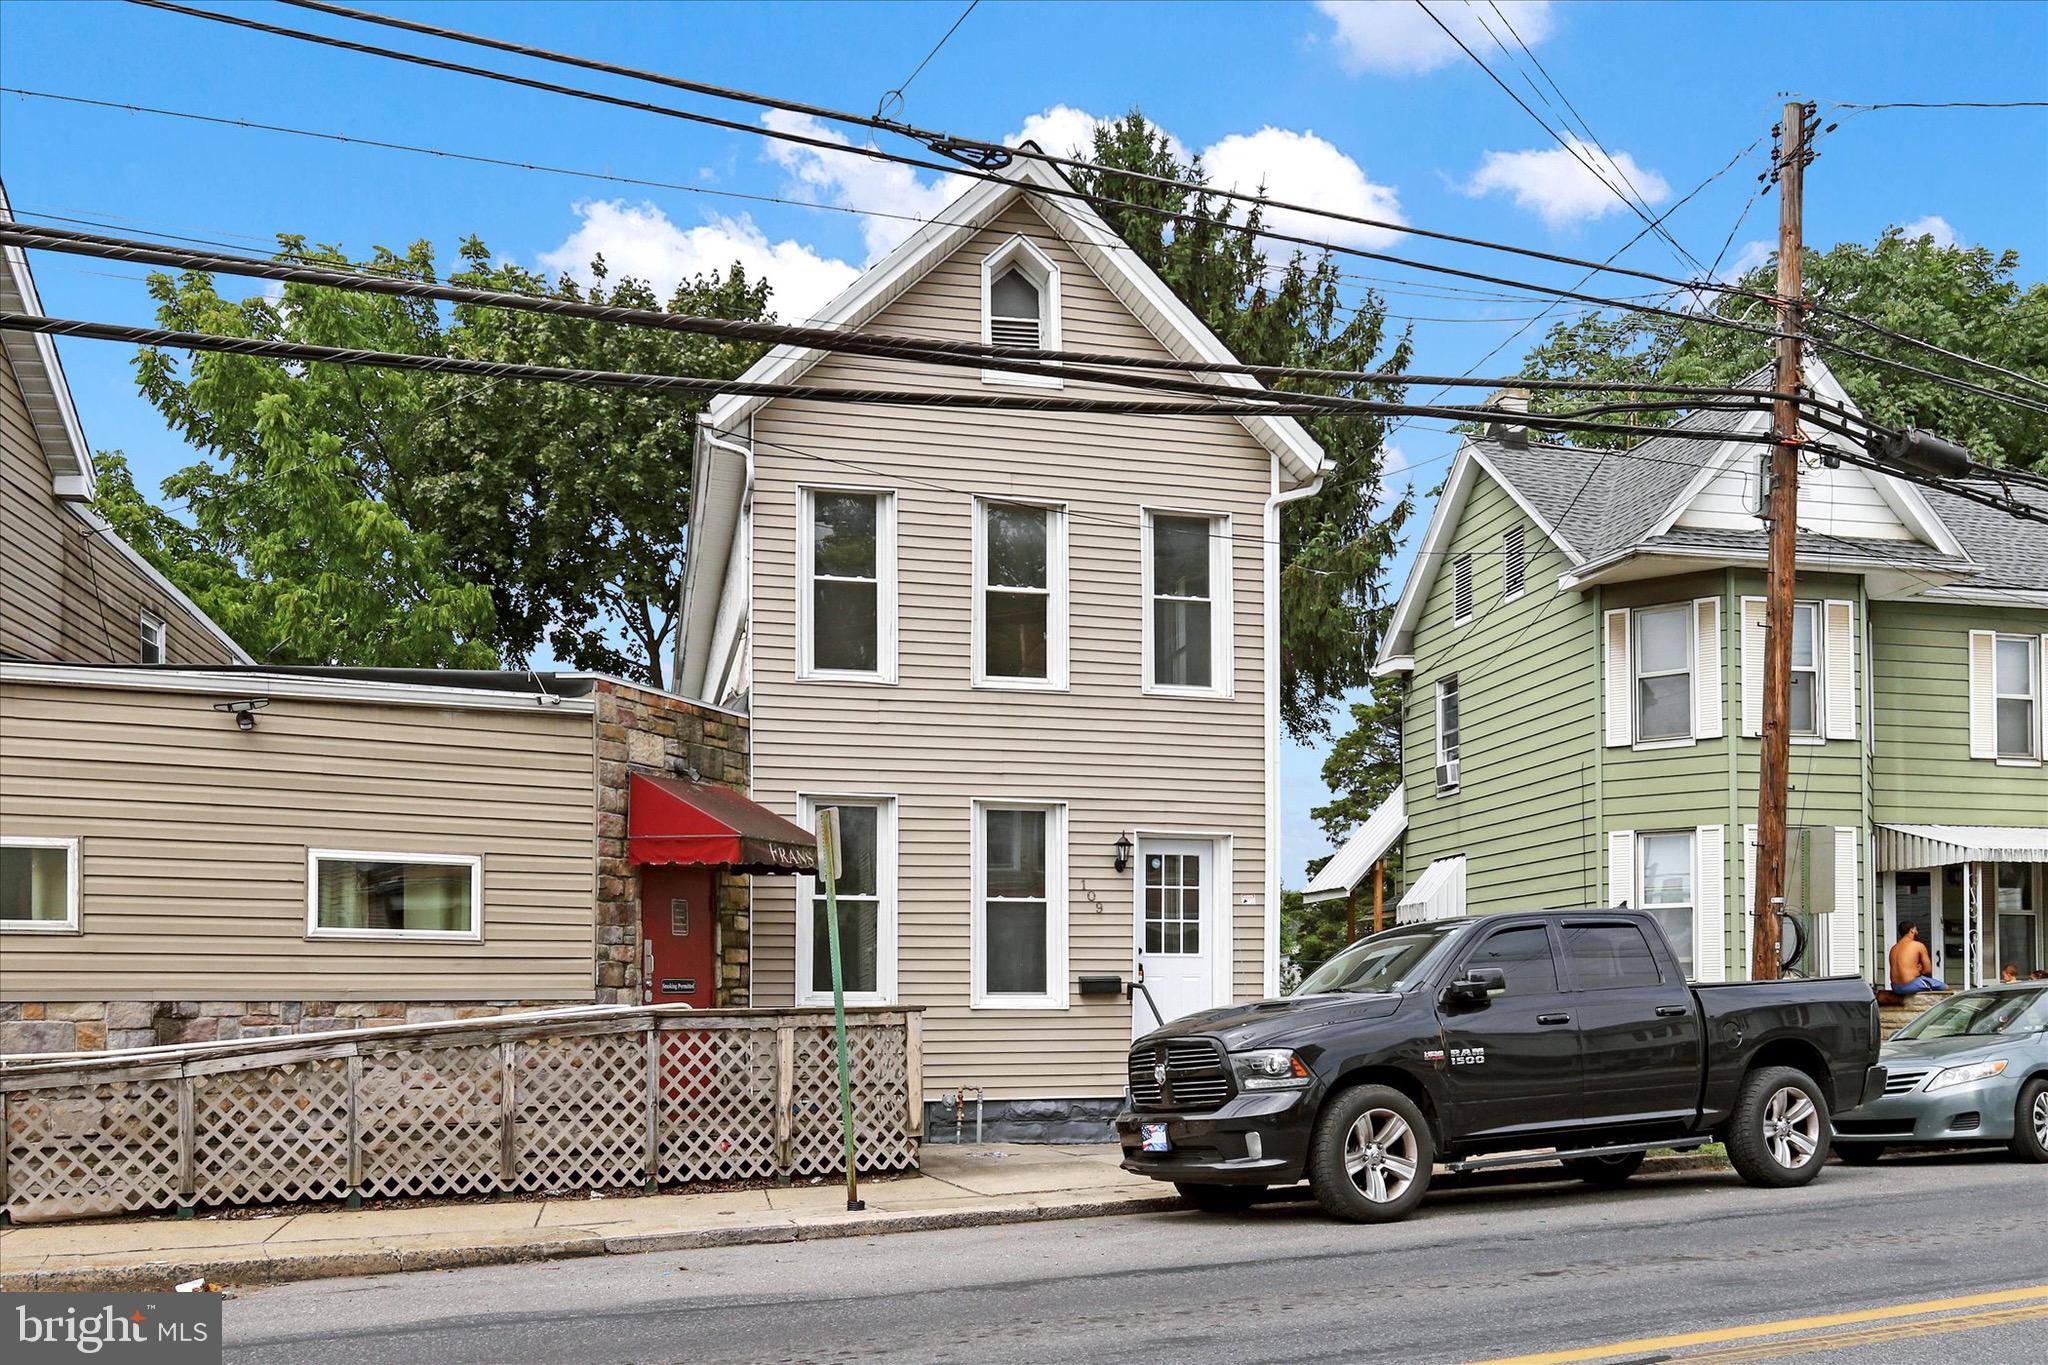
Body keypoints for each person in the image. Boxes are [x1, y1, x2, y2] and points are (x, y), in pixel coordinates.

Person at [1888, 923, 1949, 993]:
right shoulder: (1918, 945)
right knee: (1946, 988)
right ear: (1912, 930)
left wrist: (1914, 969)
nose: (1917, 932)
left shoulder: (1894, 948)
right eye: (1916, 929)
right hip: (1909, 985)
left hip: (1895, 987)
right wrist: (1919, 970)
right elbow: (1928, 970)